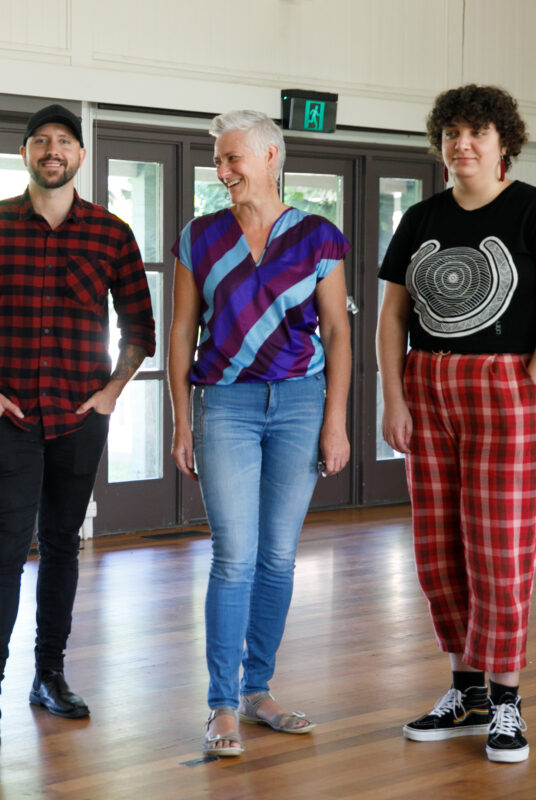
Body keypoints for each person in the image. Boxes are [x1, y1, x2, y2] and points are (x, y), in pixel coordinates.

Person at [377, 85, 536, 764]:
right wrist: (395, 399)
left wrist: (527, 388)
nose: (462, 145)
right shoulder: (420, 217)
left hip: (506, 390)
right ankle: (464, 693)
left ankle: (505, 703)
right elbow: (392, 318)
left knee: (498, 551)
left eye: (477, 133)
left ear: (504, 143)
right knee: (439, 548)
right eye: (451, 134)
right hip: (427, 387)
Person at [0, 104, 156, 748]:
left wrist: (113, 391)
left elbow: (139, 327)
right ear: (26, 154)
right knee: (3, 552)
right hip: (7, 414)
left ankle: (50, 676)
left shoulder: (112, 234)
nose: (52, 151)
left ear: (80, 156)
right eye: (40, 142)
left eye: (64, 142)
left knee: (63, 546)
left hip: (78, 415)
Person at [168, 110, 352, 758]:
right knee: (235, 556)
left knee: (277, 556)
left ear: (270, 158)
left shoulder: (319, 237)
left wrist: (335, 419)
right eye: (218, 161)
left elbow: (336, 333)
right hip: (226, 405)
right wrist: (181, 419)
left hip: (301, 404)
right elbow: (182, 333)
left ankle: (258, 691)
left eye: (232, 160)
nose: (222, 172)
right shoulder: (199, 237)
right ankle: (221, 703)